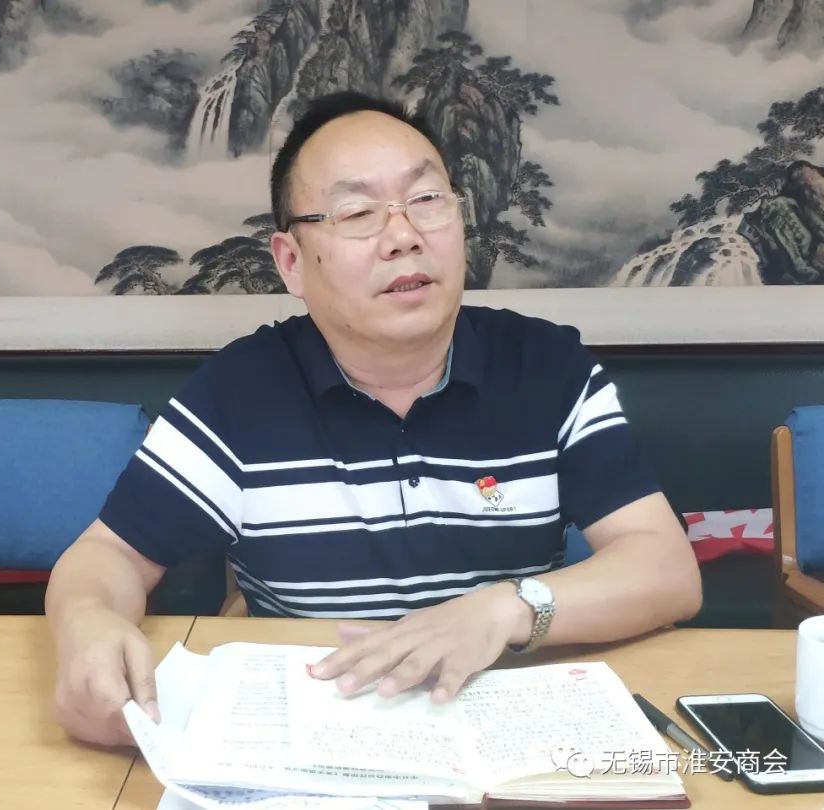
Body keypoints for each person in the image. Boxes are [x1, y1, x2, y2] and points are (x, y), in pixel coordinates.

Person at [45, 91, 702, 747]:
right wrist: (87, 627)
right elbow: (109, 555)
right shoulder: (238, 393)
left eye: (427, 199)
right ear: (292, 262)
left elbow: (666, 569)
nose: (404, 236)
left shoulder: (548, 368)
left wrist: (503, 610)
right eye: (358, 213)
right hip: (314, 729)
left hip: (506, 723)